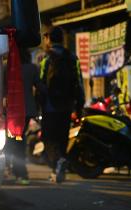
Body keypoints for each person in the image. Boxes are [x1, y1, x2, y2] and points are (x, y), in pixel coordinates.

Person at [39, 26, 84, 183]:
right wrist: (79, 106)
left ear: (49, 39)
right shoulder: (72, 58)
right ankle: (58, 170)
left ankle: (57, 164)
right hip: (66, 106)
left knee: (48, 139)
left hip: (50, 107)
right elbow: (79, 82)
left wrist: (39, 104)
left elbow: (41, 84)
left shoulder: (46, 58)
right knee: (62, 138)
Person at [5, 48, 41, 185]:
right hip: (27, 110)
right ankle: (20, 172)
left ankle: (12, 169)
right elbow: (39, 87)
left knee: (11, 141)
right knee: (20, 140)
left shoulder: (7, 67)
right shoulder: (32, 68)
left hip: (11, 110)